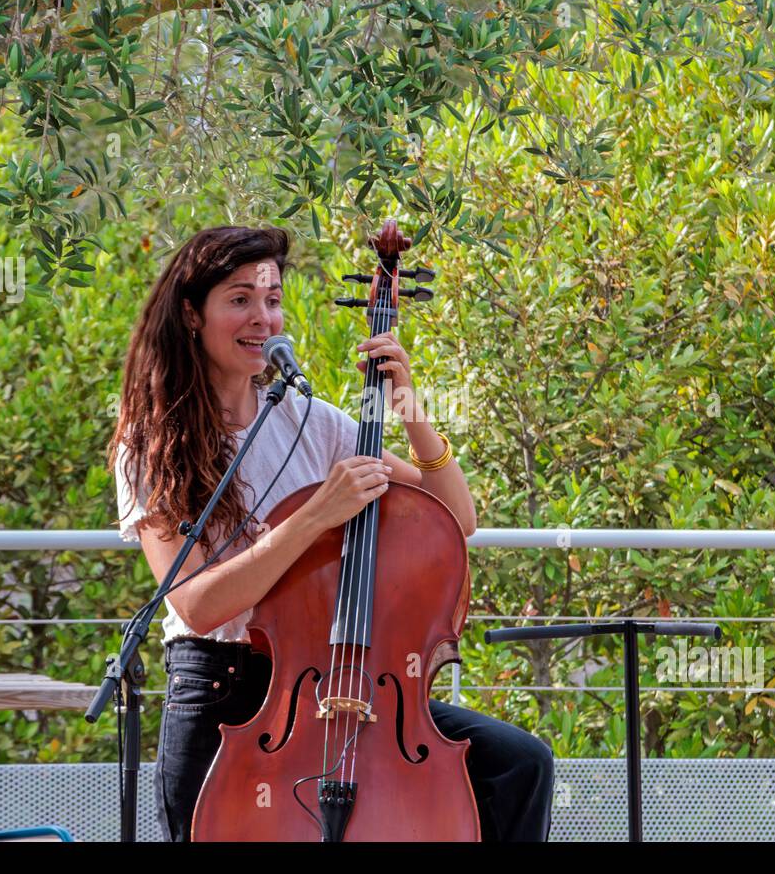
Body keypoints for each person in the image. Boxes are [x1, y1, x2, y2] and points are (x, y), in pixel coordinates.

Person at [109, 225, 553, 842]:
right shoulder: (152, 447)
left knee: (518, 765)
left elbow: (456, 515)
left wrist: (408, 405)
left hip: (337, 684)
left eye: (272, 299)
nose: (262, 318)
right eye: (239, 299)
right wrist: (317, 514)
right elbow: (199, 604)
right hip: (223, 694)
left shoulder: (307, 419)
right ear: (191, 313)